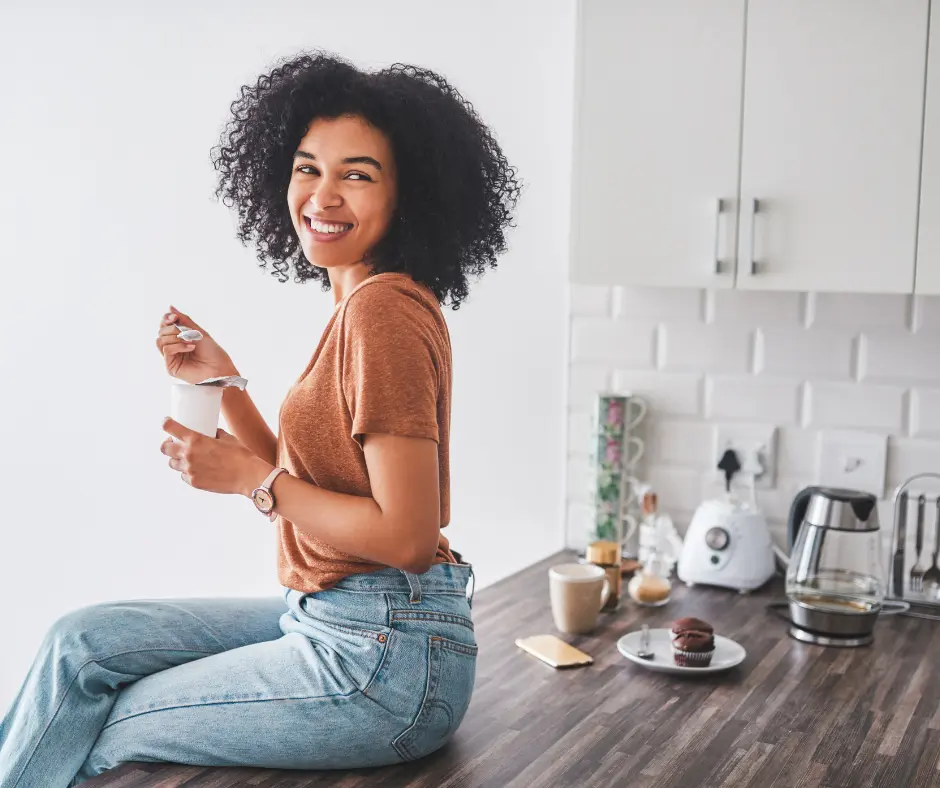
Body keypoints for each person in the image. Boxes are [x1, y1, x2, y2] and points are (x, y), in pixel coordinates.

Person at [0, 51, 520, 788]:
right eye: (308, 167)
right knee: (78, 644)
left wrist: (255, 481)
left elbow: (406, 535)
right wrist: (226, 385)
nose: (323, 195)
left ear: (410, 195)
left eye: (358, 174)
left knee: (103, 719)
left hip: (385, 662)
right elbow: (317, 485)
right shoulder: (358, 306)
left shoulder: (383, 315)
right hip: (336, 615)